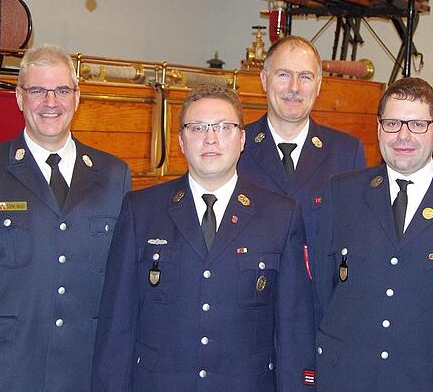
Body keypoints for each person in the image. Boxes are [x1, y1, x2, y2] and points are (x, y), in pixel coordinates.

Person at [92, 84, 315, 391]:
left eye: (223, 127)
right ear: (181, 141)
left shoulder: (280, 215)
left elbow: (293, 330)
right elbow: (117, 324)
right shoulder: (141, 211)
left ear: (242, 139)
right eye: (197, 128)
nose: (210, 138)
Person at [0, 44, 132, 391]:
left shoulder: (113, 175)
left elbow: (124, 286)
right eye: (38, 90)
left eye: (62, 90)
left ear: (77, 97)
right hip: (4, 367)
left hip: (85, 368)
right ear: (19, 97)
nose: (50, 102)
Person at [313, 77, 433, 391]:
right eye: (392, 123)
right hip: (348, 375)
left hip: (430, 379)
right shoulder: (342, 193)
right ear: (378, 128)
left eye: (417, 124)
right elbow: (322, 290)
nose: (403, 136)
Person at [238, 35, 366, 256]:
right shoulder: (235, 146)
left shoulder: (346, 153)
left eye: (305, 77)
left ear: (319, 85)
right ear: (264, 80)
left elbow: (355, 240)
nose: (294, 87)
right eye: (284, 74)